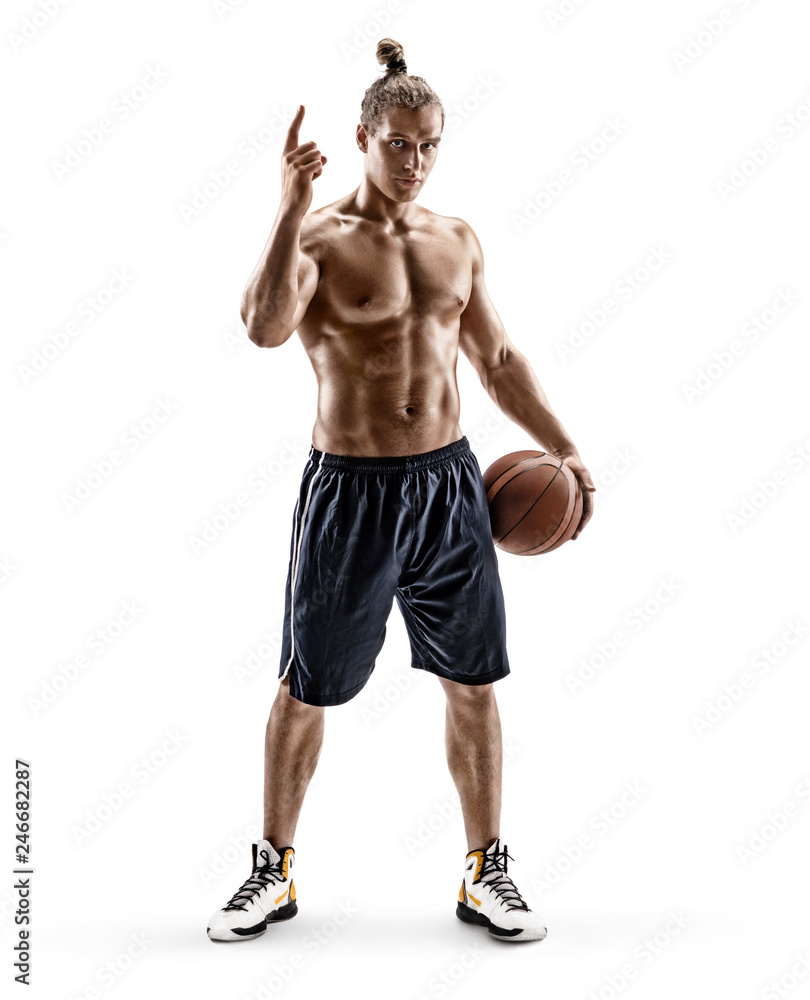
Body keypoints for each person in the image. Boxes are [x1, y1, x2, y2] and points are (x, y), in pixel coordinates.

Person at [207, 37, 596, 945]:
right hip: (351, 491)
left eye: (428, 146)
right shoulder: (316, 238)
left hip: (449, 486)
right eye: (397, 144)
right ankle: (273, 870)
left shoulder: (456, 238)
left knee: (474, 681)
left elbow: (496, 360)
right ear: (361, 137)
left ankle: (486, 871)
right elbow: (265, 329)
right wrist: (287, 204)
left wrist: (567, 451)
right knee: (308, 687)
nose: (414, 162)